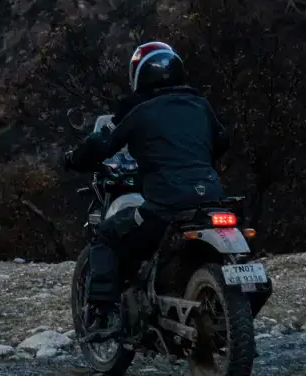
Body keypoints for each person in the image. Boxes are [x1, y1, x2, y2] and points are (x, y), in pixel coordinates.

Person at [62, 42, 232, 329]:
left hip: (166, 207)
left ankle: (102, 315)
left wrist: (74, 159)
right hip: (211, 200)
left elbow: (103, 143)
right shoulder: (200, 104)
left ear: (139, 75)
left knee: (107, 235)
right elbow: (222, 142)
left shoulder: (139, 110)